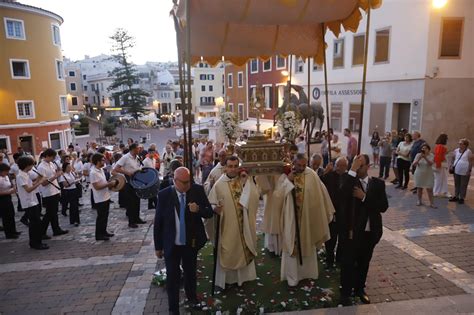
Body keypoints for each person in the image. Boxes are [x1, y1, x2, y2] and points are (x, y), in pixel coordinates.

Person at [154, 167, 214, 314]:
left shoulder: (197, 190)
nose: (188, 185)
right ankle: (173, 309)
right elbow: (158, 222)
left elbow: (209, 213)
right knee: (172, 277)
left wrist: (198, 209)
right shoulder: (164, 195)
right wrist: (158, 246)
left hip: (190, 242)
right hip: (171, 244)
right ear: (175, 181)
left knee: (190, 273)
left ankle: (192, 298)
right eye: (184, 182)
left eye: (189, 181)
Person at [277, 153, 335, 286]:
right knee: (292, 244)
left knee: (307, 242)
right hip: (291, 218)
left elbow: (321, 193)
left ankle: (307, 274)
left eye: (304, 165)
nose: (302, 168)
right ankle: (292, 277)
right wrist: (288, 181)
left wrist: (324, 211)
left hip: (308, 218)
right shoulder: (286, 175)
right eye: (299, 165)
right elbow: (278, 196)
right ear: (293, 163)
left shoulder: (311, 175)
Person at [339, 155, 388, 306]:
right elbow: (341, 195)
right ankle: (346, 293)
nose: (358, 168)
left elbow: (383, 206)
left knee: (364, 262)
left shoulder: (378, 184)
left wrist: (364, 197)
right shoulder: (349, 182)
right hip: (352, 232)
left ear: (368, 166)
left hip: (370, 232)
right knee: (348, 263)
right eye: (355, 165)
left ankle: (360, 289)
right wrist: (352, 169)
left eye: (360, 166)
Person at [208, 156, 260, 289]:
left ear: (238, 166)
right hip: (228, 227)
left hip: (244, 226)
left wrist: (246, 182)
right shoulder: (219, 184)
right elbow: (211, 203)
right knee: (229, 250)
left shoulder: (243, 180)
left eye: (235, 166)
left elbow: (255, 197)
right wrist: (215, 209)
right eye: (230, 166)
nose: (232, 169)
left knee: (244, 248)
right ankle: (229, 281)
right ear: (225, 167)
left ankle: (244, 278)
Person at [321, 157, 348, 269]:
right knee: (330, 240)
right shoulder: (330, 176)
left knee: (342, 240)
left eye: (341, 166)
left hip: (343, 215)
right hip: (331, 213)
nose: (338, 168)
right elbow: (319, 183)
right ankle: (329, 260)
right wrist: (326, 172)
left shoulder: (348, 178)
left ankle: (339, 259)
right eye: (337, 165)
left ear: (346, 167)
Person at [16, 156, 48, 249]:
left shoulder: (26, 174)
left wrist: (38, 178)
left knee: (36, 223)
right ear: (27, 165)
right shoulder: (20, 176)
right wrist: (41, 181)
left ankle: (37, 242)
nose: (32, 167)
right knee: (34, 224)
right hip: (29, 202)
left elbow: (32, 184)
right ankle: (35, 243)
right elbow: (28, 189)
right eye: (31, 165)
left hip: (33, 200)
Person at [113, 143, 146, 228]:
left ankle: (137, 218)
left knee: (137, 200)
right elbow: (116, 168)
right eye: (138, 148)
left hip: (137, 181)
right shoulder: (125, 157)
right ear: (133, 149)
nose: (139, 150)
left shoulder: (137, 157)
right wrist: (127, 173)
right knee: (131, 202)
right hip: (129, 182)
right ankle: (131, 221)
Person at [37, 148, 68, 238]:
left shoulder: (51, 164)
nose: (53, 159)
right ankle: (42, 232)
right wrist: (55, 176)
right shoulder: (41, 167)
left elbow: (55, 173)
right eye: (52, 157)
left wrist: (58, 173)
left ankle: (56, 229)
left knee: (54, 213)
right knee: (49, 214)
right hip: (48, 193)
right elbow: (43, 183)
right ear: (46, 156)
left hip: (55, 190)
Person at [90, 153, 116, 241]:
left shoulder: (100, 170)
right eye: (102, 160)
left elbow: (104, 182)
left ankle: (104, 231)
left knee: (105, 216)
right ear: (97, 161)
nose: (104, 161)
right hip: (100, 198)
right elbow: (96, 187)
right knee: (101, 217)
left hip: (105, 196)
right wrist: (109, 184)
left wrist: (109, 183)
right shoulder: (93, 172)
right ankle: (99, 235)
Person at [0, 163, 21, 239]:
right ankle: (9, 234)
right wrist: (8, 192)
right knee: (6, 217)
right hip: (2, 199)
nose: (7, 173)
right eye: (5, 171)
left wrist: (14, 187)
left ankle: (13, 230)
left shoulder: (6, 176)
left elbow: (10, 185)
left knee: (11, 214)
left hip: (8, 197)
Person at [449, 138, 472, 205]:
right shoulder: (456, 150)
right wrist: (451, 165)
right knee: (457, 184)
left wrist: (469, 170)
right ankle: (456, 196)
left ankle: (461, 198)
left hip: (465, 171)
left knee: (463, 185)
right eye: (459, 143)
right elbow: (453, 158)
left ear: (465, 145)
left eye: (461, 143)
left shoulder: (468, 151)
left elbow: (470, 162)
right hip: (456, 170)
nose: (459, 144)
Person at [433, 134, 450, 198]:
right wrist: (438, 165)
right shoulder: (441, 146)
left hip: (441, 164)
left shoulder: (439, 146)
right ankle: (436, 192)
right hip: (440, 164)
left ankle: (443, 191)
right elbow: (438, 156)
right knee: (439, 179)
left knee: (442, 178)